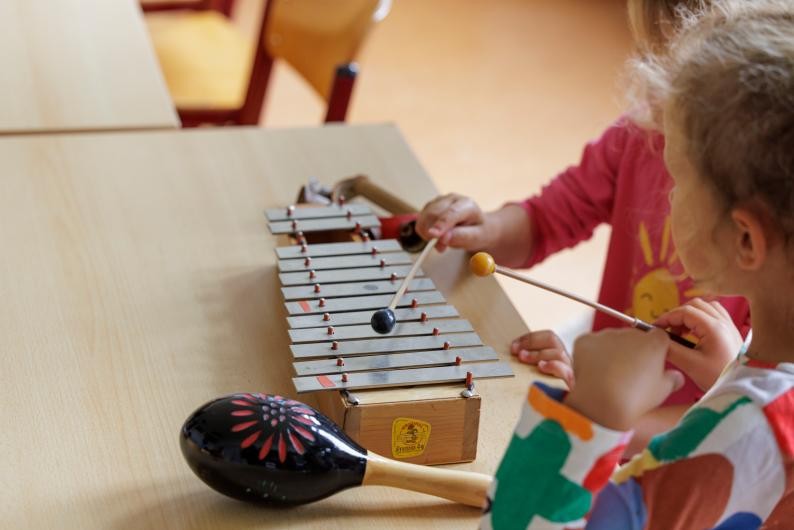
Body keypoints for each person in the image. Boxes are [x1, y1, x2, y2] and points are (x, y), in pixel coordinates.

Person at [482, 1, 794, 527]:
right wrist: (731, 375)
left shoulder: (732, 444)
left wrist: (590, 416)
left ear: (745, 239)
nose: (666, 196)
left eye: (678, 176)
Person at [416, 0, 750, 452]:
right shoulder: (645, 130)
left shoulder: (774, 257)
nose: (662, 99)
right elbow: (548, 217)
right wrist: (487, 228)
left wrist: (594, 414)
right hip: (605, 417)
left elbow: (738, 424)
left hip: (673, 455)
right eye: (661, 62)